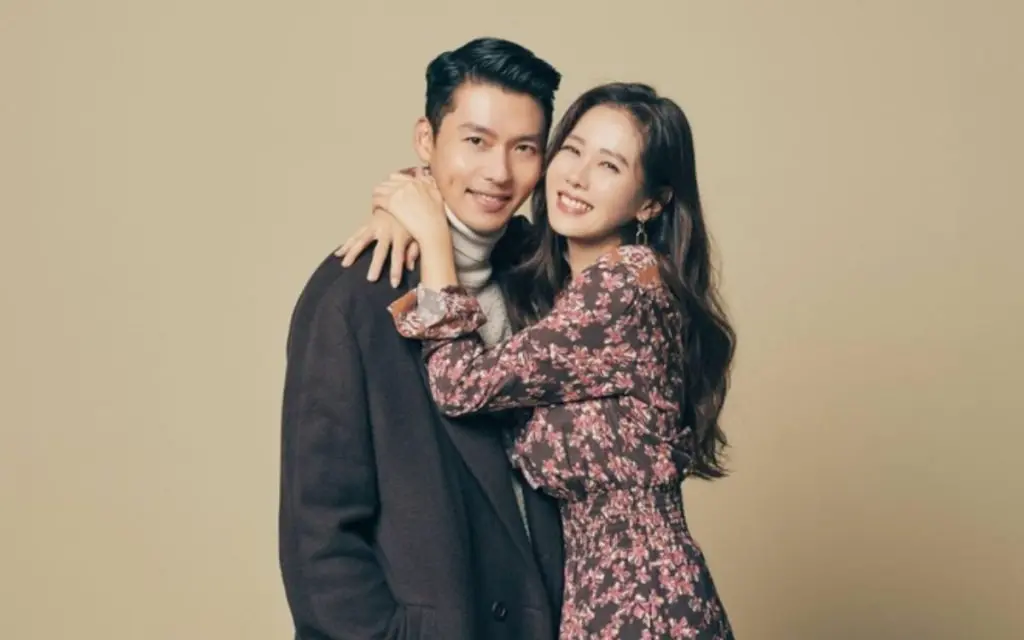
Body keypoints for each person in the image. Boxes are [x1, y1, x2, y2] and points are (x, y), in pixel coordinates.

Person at [342, 82, 737, 639]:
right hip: (598, 603)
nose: (577, 177)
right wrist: (399, 207)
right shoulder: (568, 286)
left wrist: (431, 237)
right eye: (571, 150)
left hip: (644, 606)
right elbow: (471, 194)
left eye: (609, 165)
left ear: (650, 203)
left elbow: (461, 386)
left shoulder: (621, 290)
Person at [279, 37, 566, 640]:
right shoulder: (352, 298)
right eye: (476, 141)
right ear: (425, 140)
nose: (499, 172)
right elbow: (318, 535)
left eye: (524, 148)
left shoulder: (541, 277)